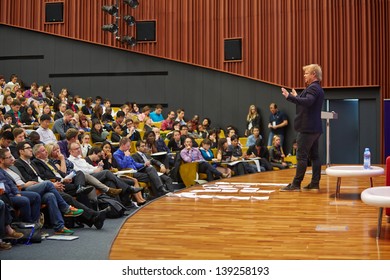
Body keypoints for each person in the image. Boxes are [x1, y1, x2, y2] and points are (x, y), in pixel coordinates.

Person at [280, 64, 324, 191]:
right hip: (315, 128)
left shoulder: (313, 88)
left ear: (313, 74)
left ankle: (296, 184)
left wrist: (291, 97)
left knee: (301, 156)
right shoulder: (317, 88)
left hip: (307, 128)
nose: (304, 75)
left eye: (306, 73)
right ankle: (315, 183)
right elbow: (308, 102)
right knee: (314, 156)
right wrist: (298, 96)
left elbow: (308, 101)